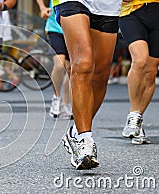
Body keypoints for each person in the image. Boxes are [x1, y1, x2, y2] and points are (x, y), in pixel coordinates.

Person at [53, 0, 122, 169]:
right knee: (83, 64)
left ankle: (75, 132)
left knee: (101, 74)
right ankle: (85, 140)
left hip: (107, 4)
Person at [119, 0, 159, 144]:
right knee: (140, 60)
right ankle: (133, 114)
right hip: (130, 12)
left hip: (158, 11)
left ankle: (137, 121)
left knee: (151, 72)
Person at [36, 0, 72, 119]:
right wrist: (42, 7)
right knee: (60, 64)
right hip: (55, 28)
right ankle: (56, 97)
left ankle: (66, 104)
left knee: (71, 69)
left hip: (74, 28)